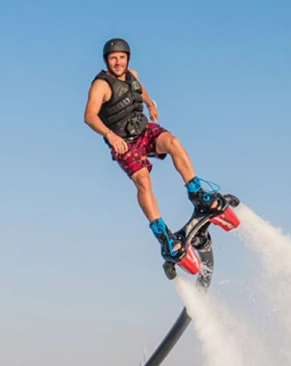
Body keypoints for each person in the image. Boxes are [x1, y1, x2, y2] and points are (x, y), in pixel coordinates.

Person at [84, 38, 229, 263]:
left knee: (173, 143)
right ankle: (164, 236)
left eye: (122, 57)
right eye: (113, 58)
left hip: (143, 130)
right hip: (124, 141)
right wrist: (110, 136)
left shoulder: (132, 75)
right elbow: (89, 116)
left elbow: (138, 89)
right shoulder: (101, 85)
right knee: (143, 180)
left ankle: (197, 194)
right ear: (107, 61)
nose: (118, 62)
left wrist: (151, 104)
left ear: (127, 58)